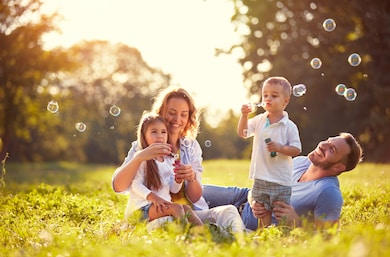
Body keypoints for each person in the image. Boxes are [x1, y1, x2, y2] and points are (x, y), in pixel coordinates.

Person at [112, 87, 245, 233]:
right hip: (157, 215)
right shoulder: (143, 146)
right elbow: (118, 186)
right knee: (169, 222)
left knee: (228, 211)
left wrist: (189, 177)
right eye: (172, 113)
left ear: (189, 118)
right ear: (161, 112)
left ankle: (241, 241)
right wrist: (139, 157)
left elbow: (194, 197)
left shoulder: (190, 146)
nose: (177, 120)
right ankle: (201, 235)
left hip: (190, 213)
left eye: (184, 114)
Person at [202, 132, 363, 231]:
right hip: (243, 196)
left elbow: (327, 238)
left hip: (249, 222)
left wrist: (297, 222)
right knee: (192, 191)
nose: (322, 145)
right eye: (328, 141)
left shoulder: (328, 192)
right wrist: (253, 199)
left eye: (331, 149)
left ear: (338, 167)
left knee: (192, 216)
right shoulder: (301, 162)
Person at [237, 76, 301, 228]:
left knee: (280, 210)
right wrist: (244, 116)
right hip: (260, 176)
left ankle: (285, 234)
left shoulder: (289, 126)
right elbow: (243, 132)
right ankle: (265, 233)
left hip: (280, 179)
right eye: (265, 95)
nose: (268, 98)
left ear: (285, 101)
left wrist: (280, 148)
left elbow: (296, 149)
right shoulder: (259, 120)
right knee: (262, 210)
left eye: (274, 95)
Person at [129, 112, 203, 226]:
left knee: (187, 209)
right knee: (177, 208)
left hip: (162, 206)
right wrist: (154, 198)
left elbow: (173, 189)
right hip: (142, 209)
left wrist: (178, 179)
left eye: (163, 132)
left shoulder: (169, 160)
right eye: (154, 132)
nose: (160, 136)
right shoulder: (142, 157)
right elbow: (135, 185)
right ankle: (185, 235)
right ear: (144, 136)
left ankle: (203, 234)